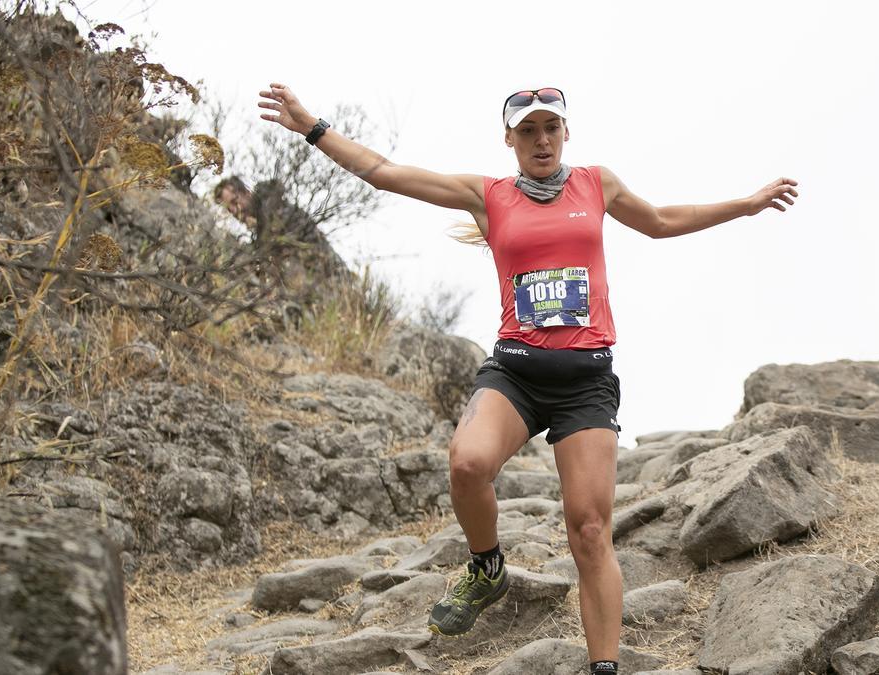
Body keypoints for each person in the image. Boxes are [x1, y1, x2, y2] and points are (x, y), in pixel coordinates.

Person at [258, 83, 798, 674]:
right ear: (509, 139)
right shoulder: (486, 195)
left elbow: (663, 221)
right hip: (515, 371)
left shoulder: (597, 183)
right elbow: (385, 172)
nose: (542, 140)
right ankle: (486, 568)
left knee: (589, 531)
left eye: (552, 128)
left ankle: (604, 667)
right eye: (528, 130)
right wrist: (312, 128)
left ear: (566, 133)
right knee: (467, 463)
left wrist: (744, 205)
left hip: (585, 380)